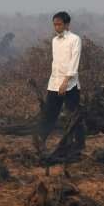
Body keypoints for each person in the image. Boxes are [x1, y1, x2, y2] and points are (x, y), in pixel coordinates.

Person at [36, 11, 84, 151]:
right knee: (49, 114)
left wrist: (66, 81)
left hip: (71, 85)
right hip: (54, 83)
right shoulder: (54, 41)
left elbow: (74, 62)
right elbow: (56, 63)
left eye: (59, 24)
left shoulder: (75, 39)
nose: (56, 27)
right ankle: (41, 141)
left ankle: (79, 145)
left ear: (67, 24)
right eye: (54, 24)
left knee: (73, 115)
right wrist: (55, 82)